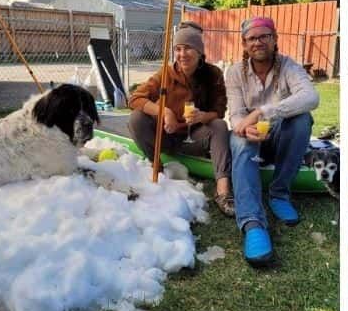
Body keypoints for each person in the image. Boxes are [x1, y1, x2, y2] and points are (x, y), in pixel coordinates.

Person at [226, 16, 320, 267]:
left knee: (302, 120)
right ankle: (253, 222)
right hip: (251, 137)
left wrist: (263, 113)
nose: (258, 42)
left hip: (279, 139)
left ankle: (279, 194)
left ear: (274, 39)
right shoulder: (235, 72)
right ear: (244, 44)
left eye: (264, 36)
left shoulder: (288, 66)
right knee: (238, 141)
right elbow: (235, 114)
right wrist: (244, 128)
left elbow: (310, 97)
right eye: (251, 38)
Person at [128, 21, 234, 216]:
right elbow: (135, 98)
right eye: (178, 49)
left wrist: (203, 116)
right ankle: (157, 168)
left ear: (199, 52)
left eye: (188, 48)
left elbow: (219, 110)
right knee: (136, 118)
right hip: (166, 137)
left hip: (195, 137)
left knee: (219, 125)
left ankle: (223, 191)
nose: (182, 54)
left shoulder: (212, 74)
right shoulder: (165, 74)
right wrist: (164, 112)